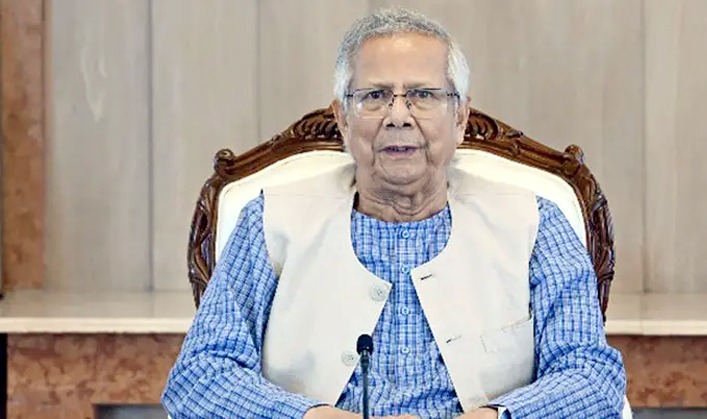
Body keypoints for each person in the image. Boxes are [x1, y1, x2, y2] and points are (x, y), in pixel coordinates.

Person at [162, 6, 626, 419]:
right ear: (342, 119)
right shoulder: (268, 220)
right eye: (374, 96)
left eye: (423, 95)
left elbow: (591, 377)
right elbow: (199, 376)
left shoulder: (535, 223)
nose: (398, 115)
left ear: (460, 118)